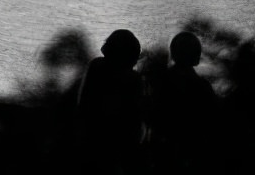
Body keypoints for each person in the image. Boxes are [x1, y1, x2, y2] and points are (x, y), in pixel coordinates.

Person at [148, 31, 219, 174]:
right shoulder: (202, 86)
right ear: (196, 56)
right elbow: (213, 120)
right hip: (192, 152)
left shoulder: (160, 81)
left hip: (164, 152)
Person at [76, 29, 144, 174]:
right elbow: (134, 117)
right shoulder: (132, 79)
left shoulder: (96, 66)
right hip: (115, 145)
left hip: (90, 140)